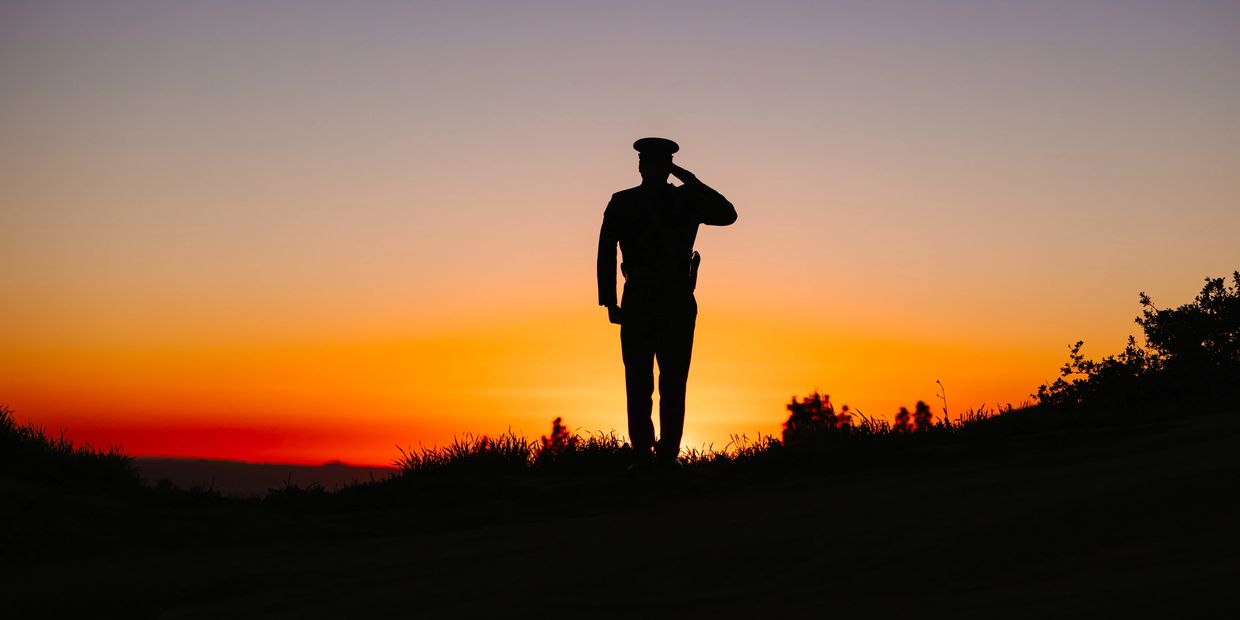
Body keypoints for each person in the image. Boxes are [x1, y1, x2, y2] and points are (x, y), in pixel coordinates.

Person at [596, 137, 737, 470]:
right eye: (654, 163)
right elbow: (606, 253)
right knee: (646, 379)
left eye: (658, 164)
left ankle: (661, 456)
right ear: (645, 166)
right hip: (653, 297)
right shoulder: (631, 201)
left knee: (663, 379)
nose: (653, 169)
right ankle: (649, 454)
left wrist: (690, 180)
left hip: (662, 298)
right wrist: (610, 302)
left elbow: (728, 215)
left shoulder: (684, 199)